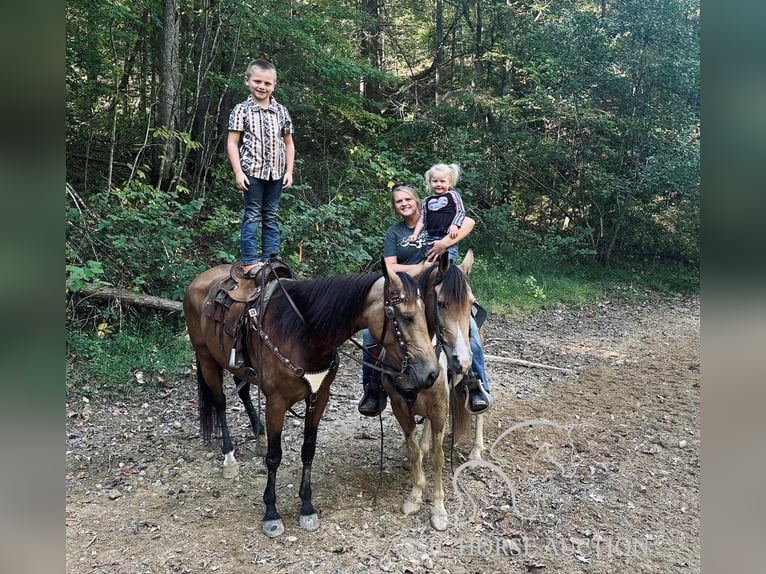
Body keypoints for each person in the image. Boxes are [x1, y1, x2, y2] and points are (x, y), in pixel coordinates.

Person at [359, 183, 493, 417]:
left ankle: (476, 384)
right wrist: (420, 267)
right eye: (399, 201)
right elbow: (390, 266)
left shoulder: (433, 218)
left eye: (408, 199)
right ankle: (373, 387)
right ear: (394, 206)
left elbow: (469, 223)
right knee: (371, 334)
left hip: (437, 290)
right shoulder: (395, 233)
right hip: (407, 294)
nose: (404, 204)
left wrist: (444, 244)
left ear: (417, 201)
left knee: (469, 330)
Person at [227, 59, 295, 277]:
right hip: (252, 173)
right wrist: (238, 172)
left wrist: (289, 171)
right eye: (257, 81)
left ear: (274, 85)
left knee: (272, 215)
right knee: (253, 215)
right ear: (247, 81)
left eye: (267, 83)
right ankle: (249, 262)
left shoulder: (281, 111)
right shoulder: (242, 110)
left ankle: (270, 260)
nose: (261, 87)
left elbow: (288, 143)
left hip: (276, 173)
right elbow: (232, 142)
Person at [407, 163, 466, 262]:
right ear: (430, 182)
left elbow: (461, 211)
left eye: (442, 181)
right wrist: (415, 234)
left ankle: (449, 276)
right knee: (430, 262)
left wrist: (455, 225)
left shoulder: (453, 195)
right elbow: (423, 219)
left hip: (448, 236)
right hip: (430, 237)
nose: (438, 184)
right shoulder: (427, 200)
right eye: (435, 181)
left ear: (450, 183)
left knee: (447, 263)